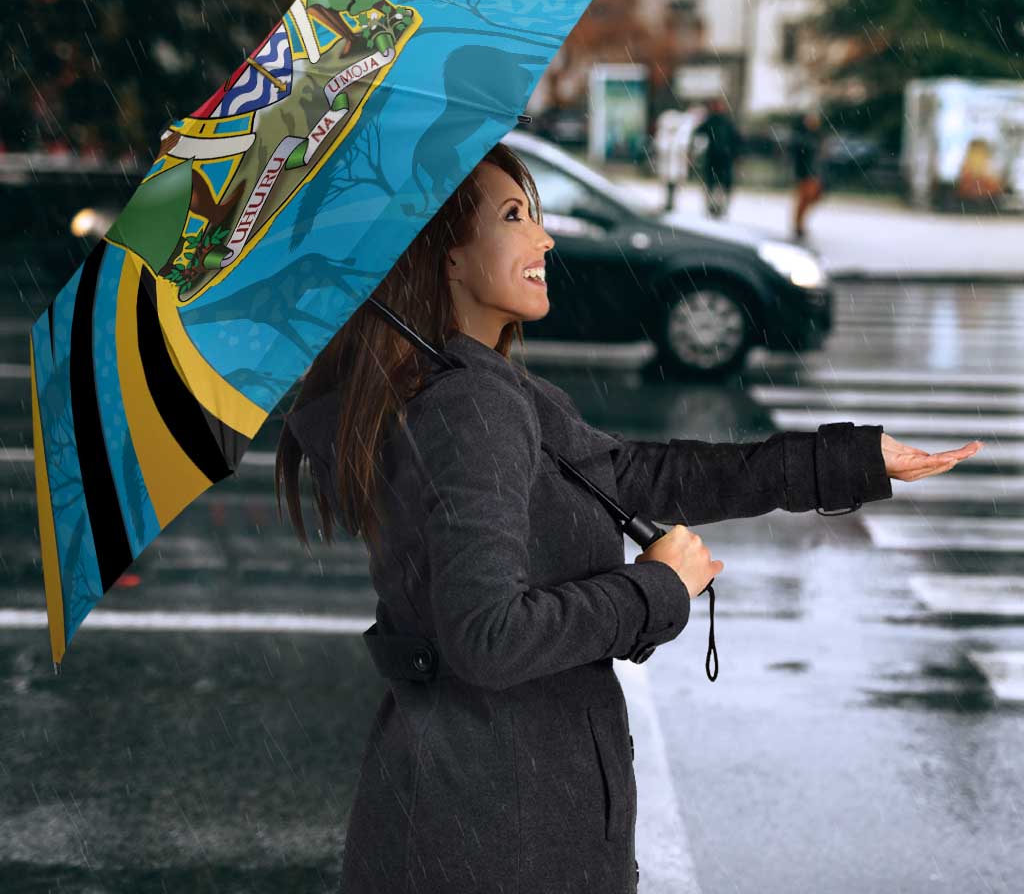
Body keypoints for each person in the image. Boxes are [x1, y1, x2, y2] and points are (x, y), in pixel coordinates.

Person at [276, 142, 979, 894]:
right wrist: (655, 589)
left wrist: (849, 460)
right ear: (445, 257)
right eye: (514, 216)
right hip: (499, 833)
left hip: (480, 811)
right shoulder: (470, 406)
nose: (544, 238)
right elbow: (487, 638)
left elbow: (641, 475)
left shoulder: (476, 388)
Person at [692, 96, 742, 219]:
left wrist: (735, 154)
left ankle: (719, 207)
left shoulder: (725, 122)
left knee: (720, 185)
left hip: (723, 158)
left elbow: (736, 140)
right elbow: (698, 134)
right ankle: (713, 207)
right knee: (713, 184)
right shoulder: (712, 121)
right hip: (715, 158)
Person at [790, 109, 826, 240]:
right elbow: (799, 156)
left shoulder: (817, 136)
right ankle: (798, 225)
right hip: (805, 173)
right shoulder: (802, 137)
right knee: (804, 199)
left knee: (812, 198)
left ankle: (799, 224)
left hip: (814, 173)